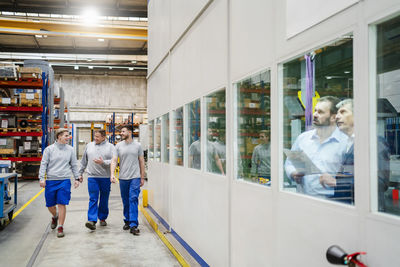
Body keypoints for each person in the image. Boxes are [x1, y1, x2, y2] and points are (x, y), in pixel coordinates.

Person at [285, 96, 348, 199]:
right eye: (315, 111)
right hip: (303, 199)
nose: (314, 115)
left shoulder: (345, 143)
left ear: (333, 117)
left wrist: (336, 182)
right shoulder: (303, 139)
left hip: (332, 202)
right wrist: (293, 173)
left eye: (320, 112)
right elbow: (289, 163)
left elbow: (353, 177)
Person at [38, 128, 80, 238]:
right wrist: (42, 178)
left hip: (64, 180)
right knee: (50, 205)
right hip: (51, 180)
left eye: (68, 135)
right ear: (59, 137)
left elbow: (74, 165)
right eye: (66, 135)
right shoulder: (49, 150)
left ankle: (60, 226)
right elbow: (44, 164)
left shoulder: (70, 150)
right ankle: (55, 215)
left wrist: (77, 178)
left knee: (62, 203)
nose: (68, 137)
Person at [79, 129, 117, 230]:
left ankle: (102, 217)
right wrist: (80, 173)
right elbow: (84, 161)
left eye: (97, 137)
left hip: (105, 177)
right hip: (92, 177)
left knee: (104, 199)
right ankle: (91, 220)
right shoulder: (89, 145)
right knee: (93, 198)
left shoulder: (111, 147)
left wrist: (103, 162)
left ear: (104, 137)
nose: (95, 138)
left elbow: (114, 161)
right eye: (94, 136)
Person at [111, 125, 145, 235]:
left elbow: (141, 161)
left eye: (123, 131)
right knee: (125, 201)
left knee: (133, 199)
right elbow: (114, 160)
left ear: (129, 132)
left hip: (135, 177)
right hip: (123, 177)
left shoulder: (138, 145)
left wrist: (142, 176)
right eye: (121, 131)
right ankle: (127, 220)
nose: (121, 133)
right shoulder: (118, 146)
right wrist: (112, 174)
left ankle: (133, 224)